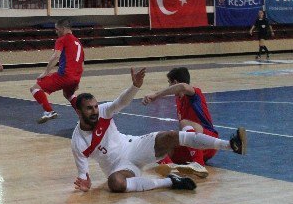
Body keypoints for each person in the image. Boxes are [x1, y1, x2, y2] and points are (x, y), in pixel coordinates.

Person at [71, 67, 247, 193]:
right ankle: (169, 182)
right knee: (115, 183)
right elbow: (83, 173)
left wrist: (135, 87)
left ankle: (230, 145)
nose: (95, 111)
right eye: (89, 108)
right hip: (118, 167)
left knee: (170, 136)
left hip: (134, 146)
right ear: (79, 112)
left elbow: (121, 102)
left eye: (95, 106)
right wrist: (86, 184)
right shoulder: (78, 142)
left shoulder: (103, 112)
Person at [142, 67, 220, 178]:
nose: (169, 86)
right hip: (193, 147)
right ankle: (171, 168)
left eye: (169, 83)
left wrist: (156, 95)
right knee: (159, 143)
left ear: (175, 83)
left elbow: (183, 86)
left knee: (184, 123)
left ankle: (199, 164)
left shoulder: (195, 94)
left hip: (208, 140)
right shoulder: (178, 100)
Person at [30, 18, 84, 123]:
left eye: (57, 29)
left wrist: (45, 72)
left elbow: (55, 57)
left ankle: (49, 111)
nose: (56, 32)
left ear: (63, 29)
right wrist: (77, 81)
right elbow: (82, 64)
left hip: (65, 75)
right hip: (75, 77)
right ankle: (83, 118)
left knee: (35, 88)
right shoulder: (78, 43)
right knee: (68, 95)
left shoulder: (62, 39)